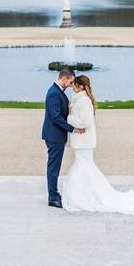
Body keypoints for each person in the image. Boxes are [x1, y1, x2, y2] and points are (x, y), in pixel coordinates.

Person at [61, 75, 134, 214]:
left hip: (83, 141)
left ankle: (85, 196)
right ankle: (86, 194)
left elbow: (86, 122)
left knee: (82, 167)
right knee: (84, 167)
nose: (72, 86)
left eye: (75, 84)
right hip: (82, 141)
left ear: (81, 86)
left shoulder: (83, 101)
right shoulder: (79, 99)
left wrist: (69, 118)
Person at [40, 68, 82, 208]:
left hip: (55, 135)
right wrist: (73, 129)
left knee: (55, 167)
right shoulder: (53, 93)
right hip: (54, 136)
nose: (71, 85)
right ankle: (52, 197)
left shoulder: (57, 92)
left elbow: (60, 112)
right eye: (70, 82)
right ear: (63, 78)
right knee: (54, 167)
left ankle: (54, 193)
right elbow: (56, 117)